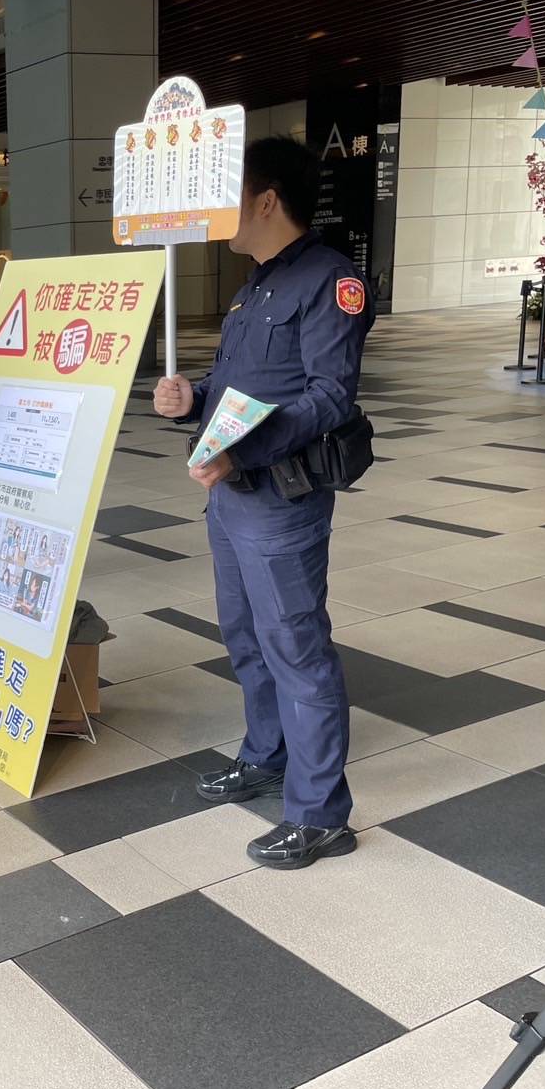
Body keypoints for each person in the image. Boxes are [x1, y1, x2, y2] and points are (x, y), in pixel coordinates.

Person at [153, 137, 374, 870]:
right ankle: (266, 754)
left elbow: (327, 397)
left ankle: (319, 814)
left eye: (227, 193)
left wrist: (237, 451)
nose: (215, 210)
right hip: (231, 499)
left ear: (266, 199)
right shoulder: (252, 286)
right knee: (244, 636)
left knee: (296, 648)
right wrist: (192, 403)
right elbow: (238, 390)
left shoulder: (328, 281)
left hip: (280, 500)